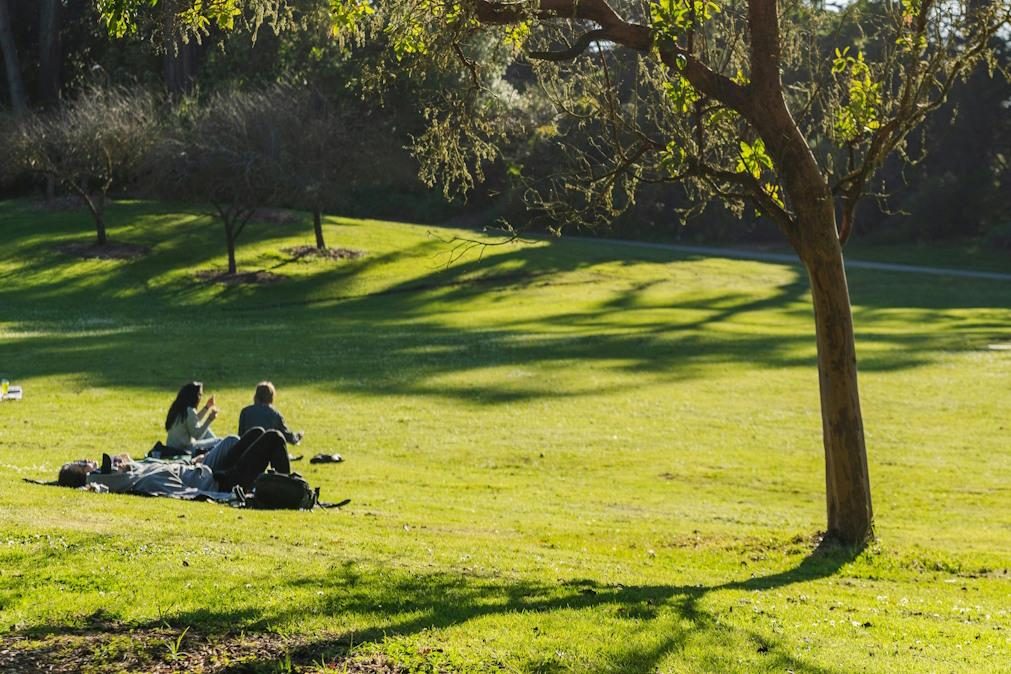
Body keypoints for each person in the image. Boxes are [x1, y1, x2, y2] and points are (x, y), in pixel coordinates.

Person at [56, 427, 290, 499]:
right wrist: (232, 497)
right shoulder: (147, 482)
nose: (116, 465)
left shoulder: (138, 472)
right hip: (223, 484)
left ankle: (286, 487)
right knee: (274, 438)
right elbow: (192, 494)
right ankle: (287, 491)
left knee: (255, 433)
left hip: (210, 471)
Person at [237, 381, 303, 445]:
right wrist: (297, 436)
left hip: (248, 452)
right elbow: (286, 436)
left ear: (256, 396)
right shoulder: (275, 414)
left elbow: (240, 436)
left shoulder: (245, 412)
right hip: (267, 452)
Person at [165, 381, 220, 453]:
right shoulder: (189, 410)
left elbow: (193, 421)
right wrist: (209, 419)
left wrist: (207, 407)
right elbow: (197, 435)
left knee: (207, 430)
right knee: (219, 442)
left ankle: (215, 452)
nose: (200, 398)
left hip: (172, 447)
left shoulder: (179, 407)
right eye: (200, 395)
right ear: (193, 396)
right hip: (184, 450)